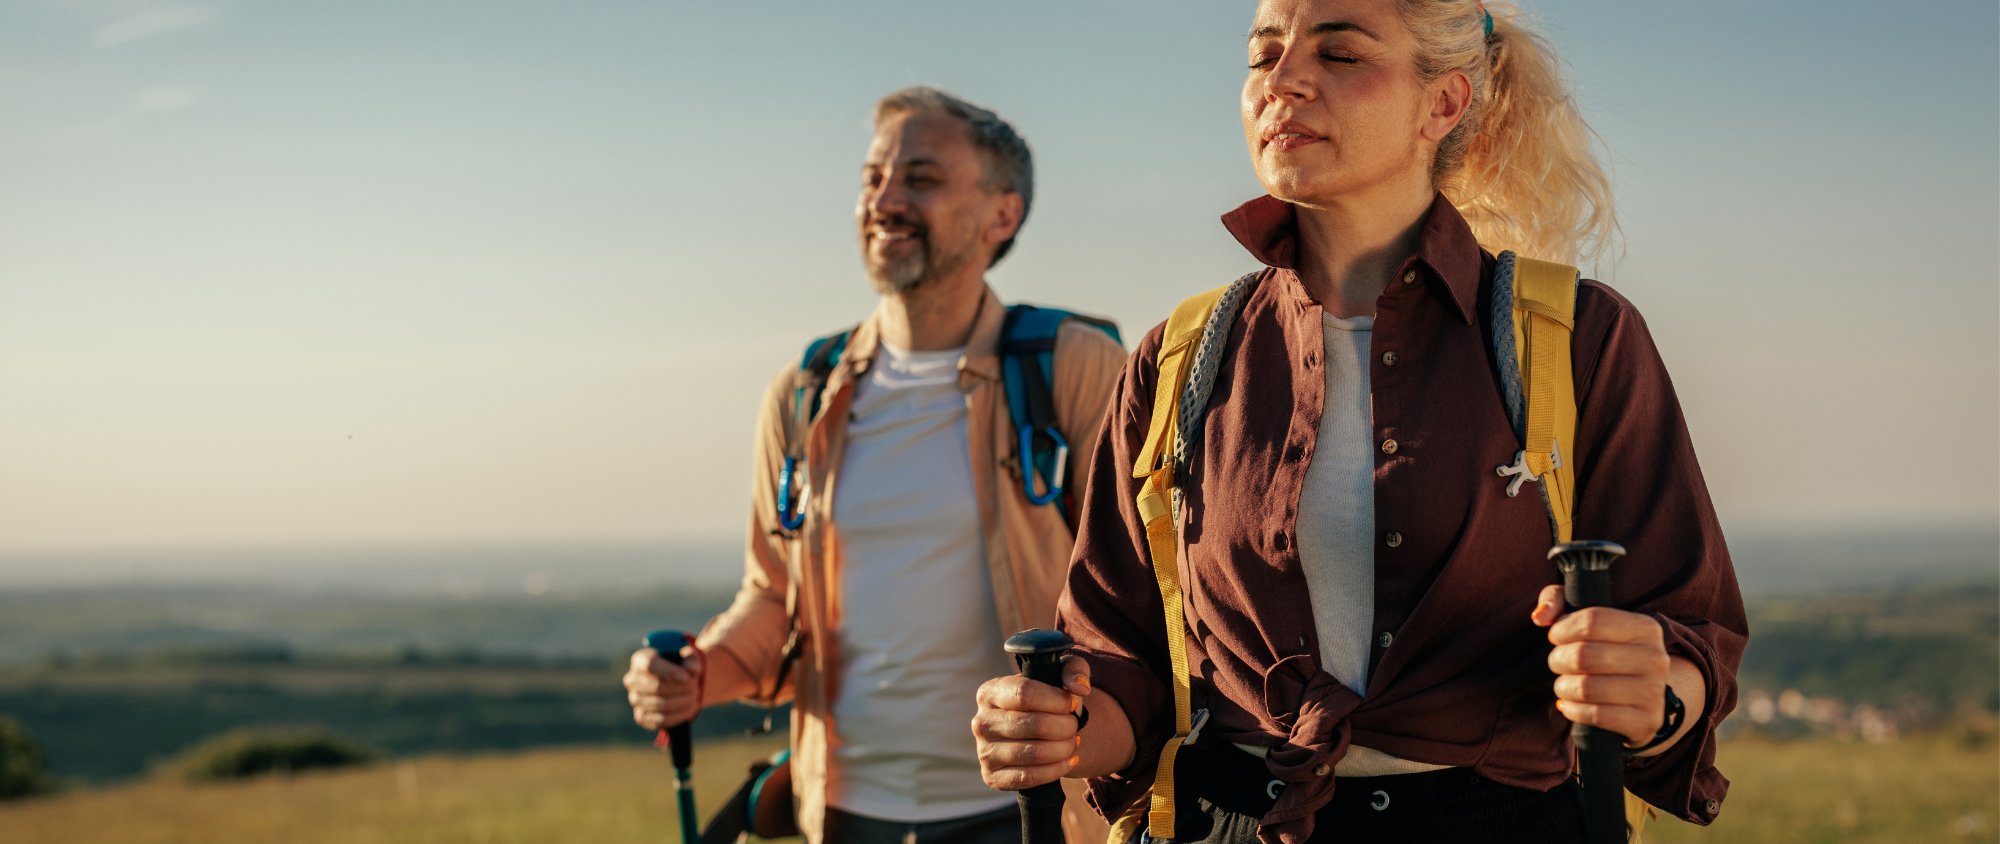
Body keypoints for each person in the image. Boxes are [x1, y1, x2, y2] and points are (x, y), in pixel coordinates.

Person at [970, 2, 1747, 842]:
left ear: (1443, 103)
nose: (1284, 78)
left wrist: (1654, 695)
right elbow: (1123, 658)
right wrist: (1061, 726)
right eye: (1264, 52)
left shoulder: (1577, 338)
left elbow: (1688, 634)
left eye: (1339, 53)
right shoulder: (1180, 357)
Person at [624, 86, 1126, 844]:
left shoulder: (1076, 370)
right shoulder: (803, 392)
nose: (884, 200)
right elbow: (772, 595)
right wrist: (702, 672)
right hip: (845, 812)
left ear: (1003, 215)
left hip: (1029, 811)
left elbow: (1135, 600)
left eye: (921, 179)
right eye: (872, 178)